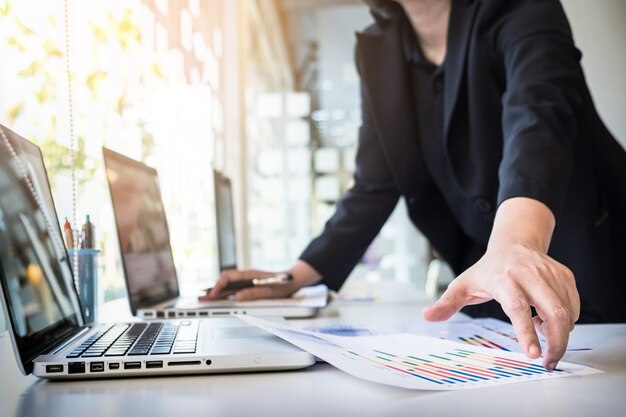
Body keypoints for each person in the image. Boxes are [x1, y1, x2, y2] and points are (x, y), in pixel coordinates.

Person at [203, 0, 626, 369]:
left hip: (592, 260)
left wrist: (516, 243)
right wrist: (296, 276)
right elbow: (374, 183)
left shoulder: (518, 8)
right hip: (494, 292)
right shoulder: (377, 49)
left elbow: (539, 121)